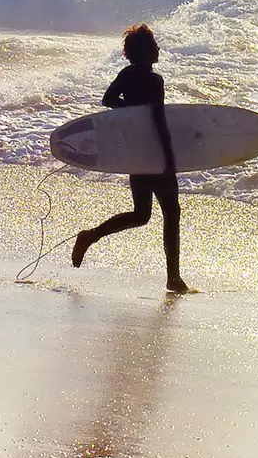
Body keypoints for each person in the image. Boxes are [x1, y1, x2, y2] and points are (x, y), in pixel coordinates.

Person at [70, 24, 190, 293]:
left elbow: (108, 99)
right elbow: (158, 121)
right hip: (154, 154)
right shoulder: (155, 80)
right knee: (171, 212)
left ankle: (91, 236)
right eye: (155, 45)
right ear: (147, 52)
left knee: (141, 214)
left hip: (135, 154)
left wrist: (131, 110)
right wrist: (169, 158)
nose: (158, 48)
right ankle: (173, 277)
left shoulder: (126, 74)